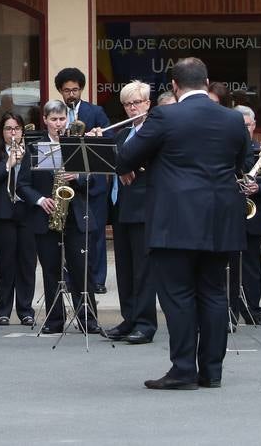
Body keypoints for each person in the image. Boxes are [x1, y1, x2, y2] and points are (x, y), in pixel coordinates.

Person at [118, 58, 248, 390]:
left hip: (175, 221)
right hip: (220, 219)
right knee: (214, 294)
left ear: (174, 86)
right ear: (206, 82)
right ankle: (212, 371)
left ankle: (183, 369)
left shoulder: (165, 114)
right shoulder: (233, 119)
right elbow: (241, 162)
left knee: (178, 296)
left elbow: (127, 157)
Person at [17, 99, 104, 335]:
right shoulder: (35, 148)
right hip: (47, 215)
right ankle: (54, 320)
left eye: (62, 119)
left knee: (80, 269)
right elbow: (22, 184)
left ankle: (88, 319)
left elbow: (94, 180)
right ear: (45, 121)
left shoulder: (77, 144)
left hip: (75, 215)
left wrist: (79, 176)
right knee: (51, 269)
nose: (58, 124)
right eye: (53, 119)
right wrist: (40, 200)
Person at [103, 81, 157, 345]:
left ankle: (146, 323)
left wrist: (123, 163)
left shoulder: (154, 132)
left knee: (143, 270)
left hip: (144, 209)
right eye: (127, 104)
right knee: (124, 268)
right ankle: (129, 318)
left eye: (137, 102)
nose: (132, 108)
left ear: (148, 103)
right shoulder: (122, 134)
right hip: (121, 208)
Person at [55, 67, 110, 294]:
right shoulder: (55, 112)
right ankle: (70, 278)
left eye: (75, 90)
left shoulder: (95, 111)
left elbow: (110, 140)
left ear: (81, 89)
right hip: (67, 182)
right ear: (60, 91)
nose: (71, 94)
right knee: (68, 233)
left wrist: (98, 136)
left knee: (95, 233)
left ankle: (97, 279)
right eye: (67, 90)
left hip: (93, 182)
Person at [0, 112, 35, 326]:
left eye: (17, 128)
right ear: (1, 132)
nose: (13, 132)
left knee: (27, 263)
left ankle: (26, 310)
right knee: (5, 264)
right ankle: (3, 310)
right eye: (8, 129)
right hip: (1, 215)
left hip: (27, 214)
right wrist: (8, 165)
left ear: (22, 131)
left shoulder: (31, 153)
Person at [233, 105, 261, 325]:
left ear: (254, 126)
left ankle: (252, 310)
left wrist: (259, 189)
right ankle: (230, 311)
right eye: (239, 126)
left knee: (252, 267)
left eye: (247, 126)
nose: (244, 130)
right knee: (229, 266)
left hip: (253, 215)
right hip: (230, 216)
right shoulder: (227, 151)